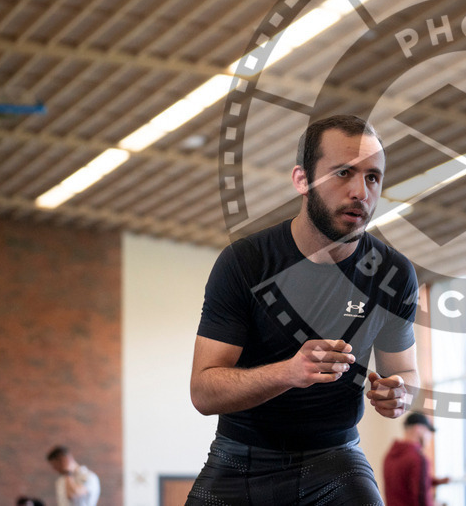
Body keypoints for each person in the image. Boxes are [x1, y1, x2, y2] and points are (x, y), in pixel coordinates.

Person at [187, 115, 420, 505]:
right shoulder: (245, 263)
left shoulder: (394, 275)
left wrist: (400, 394)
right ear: (302, 180)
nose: (360, 192)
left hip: (334, 458)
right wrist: (290, 373)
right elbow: (203, 392)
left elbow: (405, 372)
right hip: (241, 460)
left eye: (372, 178)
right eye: (343, 173)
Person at [382, 411, 448, 506]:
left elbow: (406, 482)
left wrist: (437, 481)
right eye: (428, 432)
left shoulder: (390, 455)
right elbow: (421, 499)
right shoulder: (418, 459)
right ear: (418, 428)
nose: (430, 437)